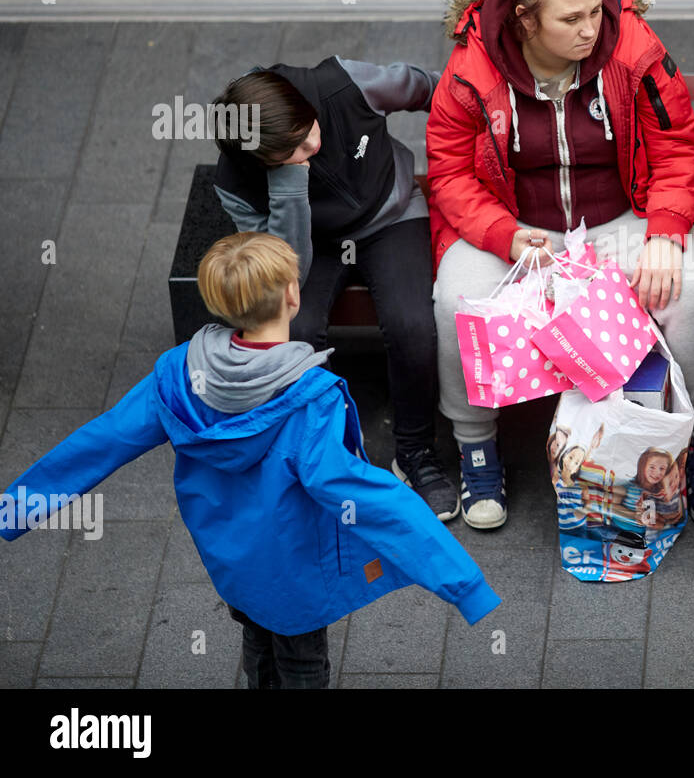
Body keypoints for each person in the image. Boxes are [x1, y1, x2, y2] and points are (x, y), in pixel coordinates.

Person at [0, 232, 500, 688]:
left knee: (259, 645)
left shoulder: (178, 373)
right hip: (295, 578)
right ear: (293, 295)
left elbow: (101, 441)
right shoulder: (309, 400)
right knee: (303, 665)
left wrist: (15, 509)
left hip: (231, 564)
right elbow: (367, 494)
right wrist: (464, 582)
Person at [426, 0, 694, 529]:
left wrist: (666, 231)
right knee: (455, 299)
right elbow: (450, 171)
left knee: (690, 286)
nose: (592, 29)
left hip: (623, 216)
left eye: (596, 10)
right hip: (518, 229)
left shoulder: (632, 48)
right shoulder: (473, 67)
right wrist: (503, 234)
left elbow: (675, 148)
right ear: (526, 22)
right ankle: (477, 447)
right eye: (572, 19)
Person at [209, 55, 458, 521]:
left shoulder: (341, 83)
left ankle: (415, 453)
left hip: (392, 213)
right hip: (315, 246)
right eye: (295, 150)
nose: (313, 144)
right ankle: (326, 457)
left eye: (310, 131)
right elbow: (286, 272)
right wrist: (289, 187)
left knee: (413, 325)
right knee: (294, 333)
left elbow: (428, 87)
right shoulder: (236, 181)